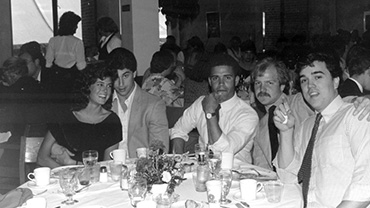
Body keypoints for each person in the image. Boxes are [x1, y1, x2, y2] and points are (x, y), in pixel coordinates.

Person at [274, 51, 370, 207]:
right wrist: (286, 132)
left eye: (317, 77)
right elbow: (287, 177)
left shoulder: (357, 115)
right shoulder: (307, 125)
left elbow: (366, 180)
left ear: (336, 81)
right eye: (304, 80)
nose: (310, 85)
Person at [170, 54, 259, 164]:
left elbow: (225, 151)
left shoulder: (247, 114)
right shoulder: (200, 103)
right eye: (215, 78)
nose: (221, 83)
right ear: (210, 81)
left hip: (236, 174)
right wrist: (178, 162)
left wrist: (210, 113)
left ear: (236, 81)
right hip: (203, 171)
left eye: (227, 78)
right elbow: (178, 130)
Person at [37, 62, 122, 168]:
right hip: (64, 181)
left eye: (109, 86)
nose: (105, 90)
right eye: (100, 84)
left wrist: (71, 163)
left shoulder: (112, 122)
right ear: (88, 86)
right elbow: (42, 158)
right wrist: (67, 173)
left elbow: (107, 168)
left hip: (96, 182)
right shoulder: (65, 117)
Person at [106, 48, 169, 158]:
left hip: (140, 169)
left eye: (125, 76)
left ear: (134, 73)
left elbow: (160, 149)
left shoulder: (153, 104)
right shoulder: (104, 103)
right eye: (116, 77)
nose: (121, 83)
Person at [44, 11, 86, 94]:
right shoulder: (78, 42)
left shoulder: (53, 40)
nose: (77, 28)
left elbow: (48, 63)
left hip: (56, 78)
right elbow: (81, 65)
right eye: (76, 25)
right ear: (72, 26)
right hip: (72, 79)